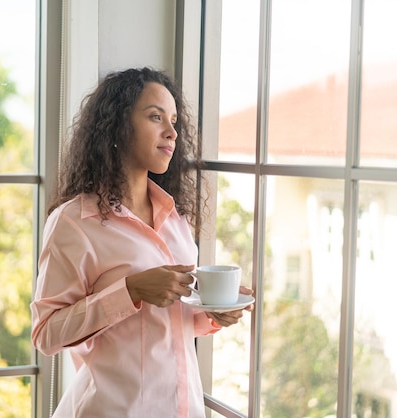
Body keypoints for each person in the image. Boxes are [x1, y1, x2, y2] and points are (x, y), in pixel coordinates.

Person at [31, 67, 253, 417]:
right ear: (118, 125)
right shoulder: (75, 222)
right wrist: (130, 290)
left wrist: (214, 313)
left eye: (175, 121)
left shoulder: (175, 217)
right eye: (155, 117)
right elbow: (46, 334)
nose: (172, 132)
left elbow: (167, 324)